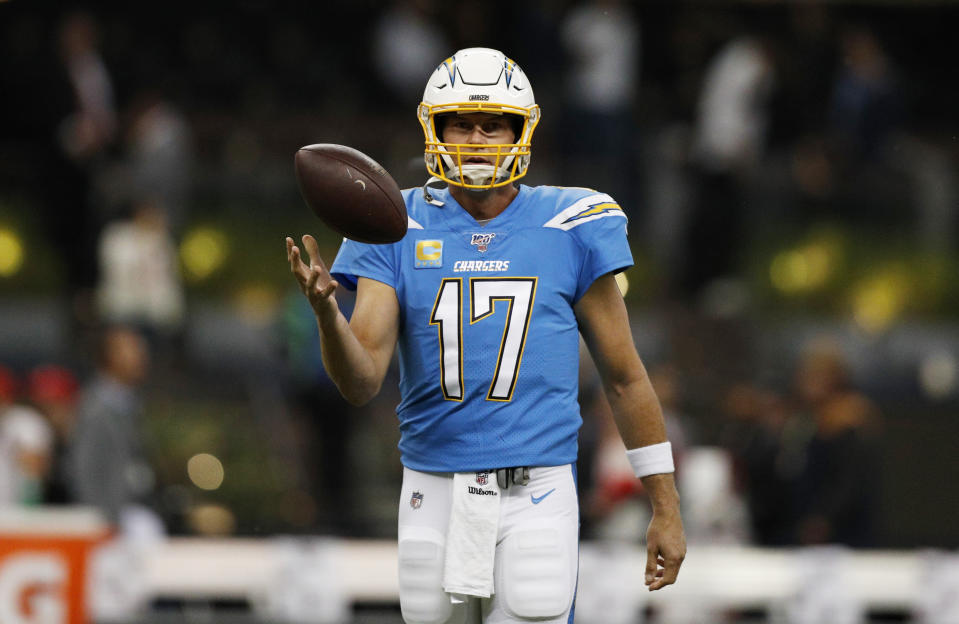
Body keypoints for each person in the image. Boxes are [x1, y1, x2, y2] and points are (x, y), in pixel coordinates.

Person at [286, 48, 685, 623]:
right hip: (432, 486)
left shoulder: (570, 223)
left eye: (493, 124)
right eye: (461, 124)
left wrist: (665, 505)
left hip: (536, 490)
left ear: (520, 131)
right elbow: (362, 381)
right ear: (436, 130)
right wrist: (327, 314)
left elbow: (625, 379)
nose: (476, 138)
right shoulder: (393, 222)